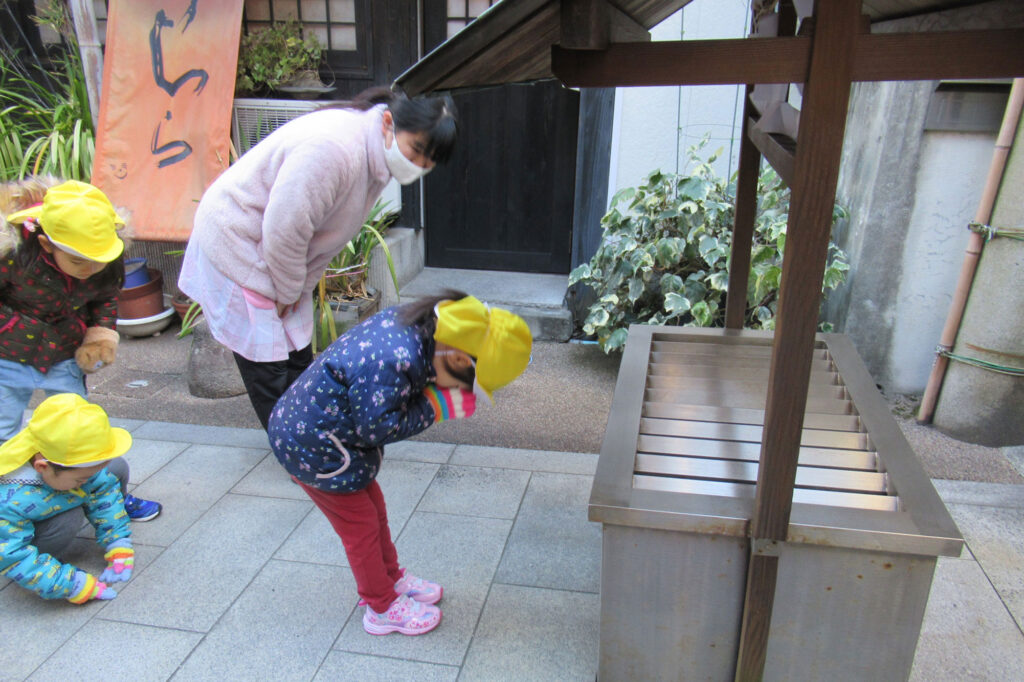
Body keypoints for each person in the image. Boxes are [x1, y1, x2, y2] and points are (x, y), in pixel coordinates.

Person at [178, 85, 458, 430]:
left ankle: (312, 433)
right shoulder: (335, 149)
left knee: (298, 355)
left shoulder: (372, 151)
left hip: (276, 255)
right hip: (240, 243)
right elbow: (285, 228)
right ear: (388, 122)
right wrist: (286, 291)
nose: (417, 166)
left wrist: (294, 289)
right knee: (269, 367)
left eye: (427, 164)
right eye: (415, 151)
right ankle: (295, 445)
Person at [267, 291, 532, 636]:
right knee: (360, 526)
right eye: (469, 377)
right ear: (459, 354)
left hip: (330, 435)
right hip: (312, 446)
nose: (464, 386)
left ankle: (391, 577)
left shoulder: (422, 330)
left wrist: (440, 390)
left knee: (374, 509)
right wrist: (435, 406)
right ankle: (381, 607)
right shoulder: (394, 357)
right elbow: (377, 426)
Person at [1, 177, 162, 521]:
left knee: (81, 430)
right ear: (46, 243)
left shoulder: (107, 255)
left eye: (98, 260)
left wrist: (100, 336)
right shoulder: (11, 255)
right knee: (3, 432)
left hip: (64, 353)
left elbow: (105, 298)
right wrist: (11, 327)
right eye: (79, 262)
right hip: (7, 356)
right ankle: (11, 509)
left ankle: (108, 497)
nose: (91, 270)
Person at [0, 393, 137, 603]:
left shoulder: (65, 458)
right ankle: (48, 563)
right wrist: (71, 584)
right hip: (19, 538)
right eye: (80, 479)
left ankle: (105, 500)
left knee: (113, 467)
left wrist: (118, 541)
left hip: (52, 496)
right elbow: (12, 555)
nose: (87, 480)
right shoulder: (7, 501)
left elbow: (103, 488)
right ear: (42, 467)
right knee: (69, 518)